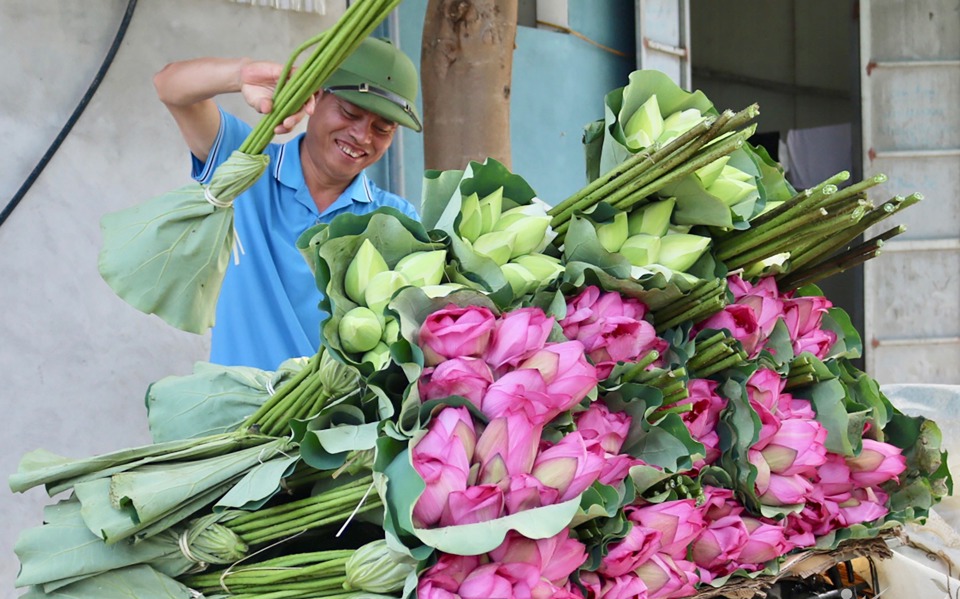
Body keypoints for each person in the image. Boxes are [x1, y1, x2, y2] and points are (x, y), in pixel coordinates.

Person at [153, 37, 422, 371]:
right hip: (237, 415)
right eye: (350, 112)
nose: (363, 136)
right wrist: (241, 74)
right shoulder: (244, 165)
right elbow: (169, 87)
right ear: (317, 94)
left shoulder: (395, 219)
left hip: (341, 420)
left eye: (383, 127)